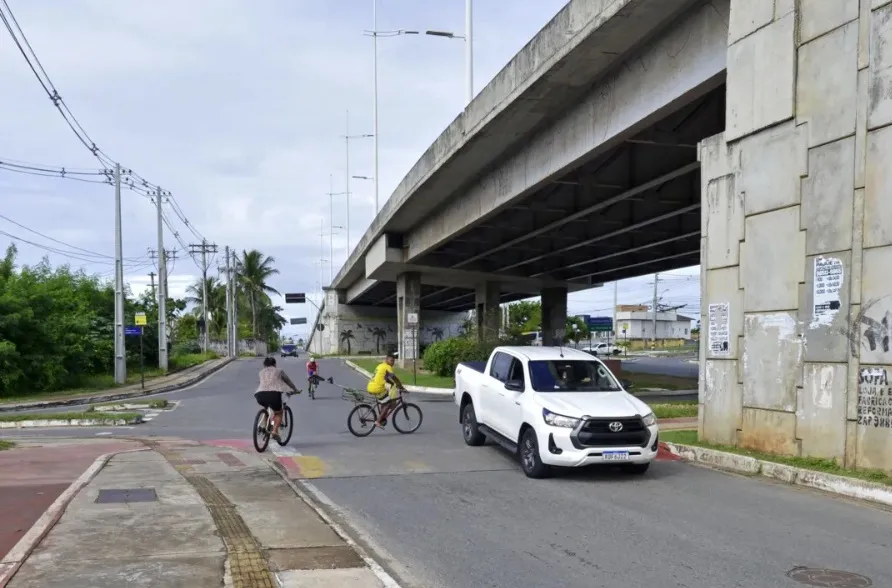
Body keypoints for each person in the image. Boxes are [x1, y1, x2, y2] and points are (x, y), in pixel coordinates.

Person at [255, 356, 300, 440]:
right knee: (279, 412)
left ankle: (263, 425)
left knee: (267, 408)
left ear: (264, 365)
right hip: (274, 394)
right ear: (275, 364)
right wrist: (295, 389)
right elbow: (287, 381)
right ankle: (275, 431)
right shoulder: (279, 370)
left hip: (259, 395)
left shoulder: (261, 372)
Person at [366, 353, 405, 428]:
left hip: (371, 386)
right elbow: (394, 377)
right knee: (388, 403)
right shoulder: (387, 366)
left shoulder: (380, 366)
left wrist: (395, 385)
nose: (393, 362)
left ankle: (382, 418)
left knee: (385, 399)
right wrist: (401, 386)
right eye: (391, 360)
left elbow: (386, 379)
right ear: (386, 359)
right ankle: (378, 421)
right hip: (377, 388)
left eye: (394, 361)